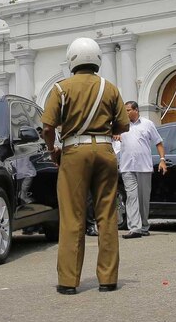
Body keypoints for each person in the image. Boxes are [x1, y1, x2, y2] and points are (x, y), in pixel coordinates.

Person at [42, 37, 130, 294]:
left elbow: (48, 127)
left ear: (71, 59)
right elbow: (124, 125)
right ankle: (108, 279)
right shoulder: (110, 87)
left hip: (74, 151)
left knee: (72, 217)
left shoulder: (60, 89)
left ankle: (69, 282)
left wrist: (52, 150)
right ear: (97, 59)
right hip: (104, 150)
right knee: (107, 214)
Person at [116, 101, 166, 239]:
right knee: (131, 197)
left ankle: (144, 226)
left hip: (143, 167)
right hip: (127, 167)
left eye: (127, 110)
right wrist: (116, 135)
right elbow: (113, 139)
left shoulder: (147, 124)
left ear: (136, 110)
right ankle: (134, 228)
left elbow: (159, 142)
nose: (125, 113)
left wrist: (162, 160)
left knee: (143, 198)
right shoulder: (121, 125)